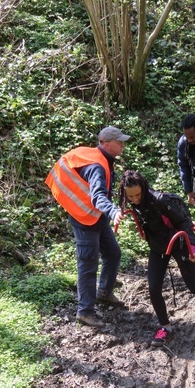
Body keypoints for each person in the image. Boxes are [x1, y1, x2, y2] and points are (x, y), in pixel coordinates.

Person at [118, 171, 195, 346]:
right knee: (153, 288)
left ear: (144, 188)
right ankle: (166, 327)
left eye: (138, 194)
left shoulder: (160, 201)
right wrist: (117, 214)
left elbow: (185, 223)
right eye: (130, 196)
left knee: (194, 286)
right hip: (158, 248)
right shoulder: (132, 202)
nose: (135, 199)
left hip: (179, 243)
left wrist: (194, 249)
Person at [45, 126, 127, 328]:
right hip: (85, 218)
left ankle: (104, 292)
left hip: (95, 216)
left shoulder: (97, 156)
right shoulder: (97, 166)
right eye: (119, 142)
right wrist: (113, 211)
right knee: (88, 264)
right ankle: (85, 312)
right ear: (106, 144)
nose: (123, 145)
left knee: (113, 253)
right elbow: (98, 196)